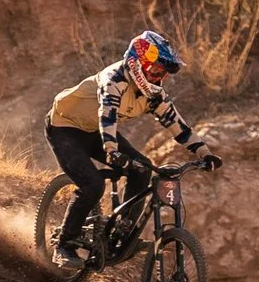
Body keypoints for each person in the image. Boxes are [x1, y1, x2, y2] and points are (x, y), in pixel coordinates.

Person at [46, 31, 219, 268]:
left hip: (95, 131)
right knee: (92, 184)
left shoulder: (154, 95)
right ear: (137, 64)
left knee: (142, 169)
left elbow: (178, 126)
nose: (160, 78)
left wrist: (204, 153)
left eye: (164, 74)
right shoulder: (113, 79)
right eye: (157, 71)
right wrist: (111, 150)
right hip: (65, 127)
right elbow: (107, 115)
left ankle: (120, 231)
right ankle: (64, 244)